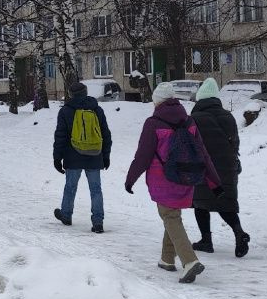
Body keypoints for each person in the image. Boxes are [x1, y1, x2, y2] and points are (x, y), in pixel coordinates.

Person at [124, 82, 222, 283]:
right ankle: (167, 259)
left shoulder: (153, 123)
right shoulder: (189, 121)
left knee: (169, 216)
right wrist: (215, 182)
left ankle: (189, 261)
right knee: (172, 215)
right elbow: (203, 154)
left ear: (157, 101)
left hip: (164, 179)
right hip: (188, 178)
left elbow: (143, 156)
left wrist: (130, 179)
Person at [189, 78, 251, 257]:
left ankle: (206, 240)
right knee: (226, 203)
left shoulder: (195, 118)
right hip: (227, 166)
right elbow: (235, 143)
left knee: (201, 203)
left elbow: (191, 145)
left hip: (204, 168)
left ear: (200, 99)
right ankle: (239, 232)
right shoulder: (228, 116)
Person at [52, 81, 112, 233]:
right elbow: (105, 134)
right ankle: (98, 222)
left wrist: (57, 158)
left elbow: (60, 136)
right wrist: (106, 155)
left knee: (70, 187)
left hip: (73, 156)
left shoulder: (65, 111)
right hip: (95, 155)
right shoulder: (96, 109)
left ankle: (66, 215)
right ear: (85, 93)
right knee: (96, 189)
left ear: (71, 94)